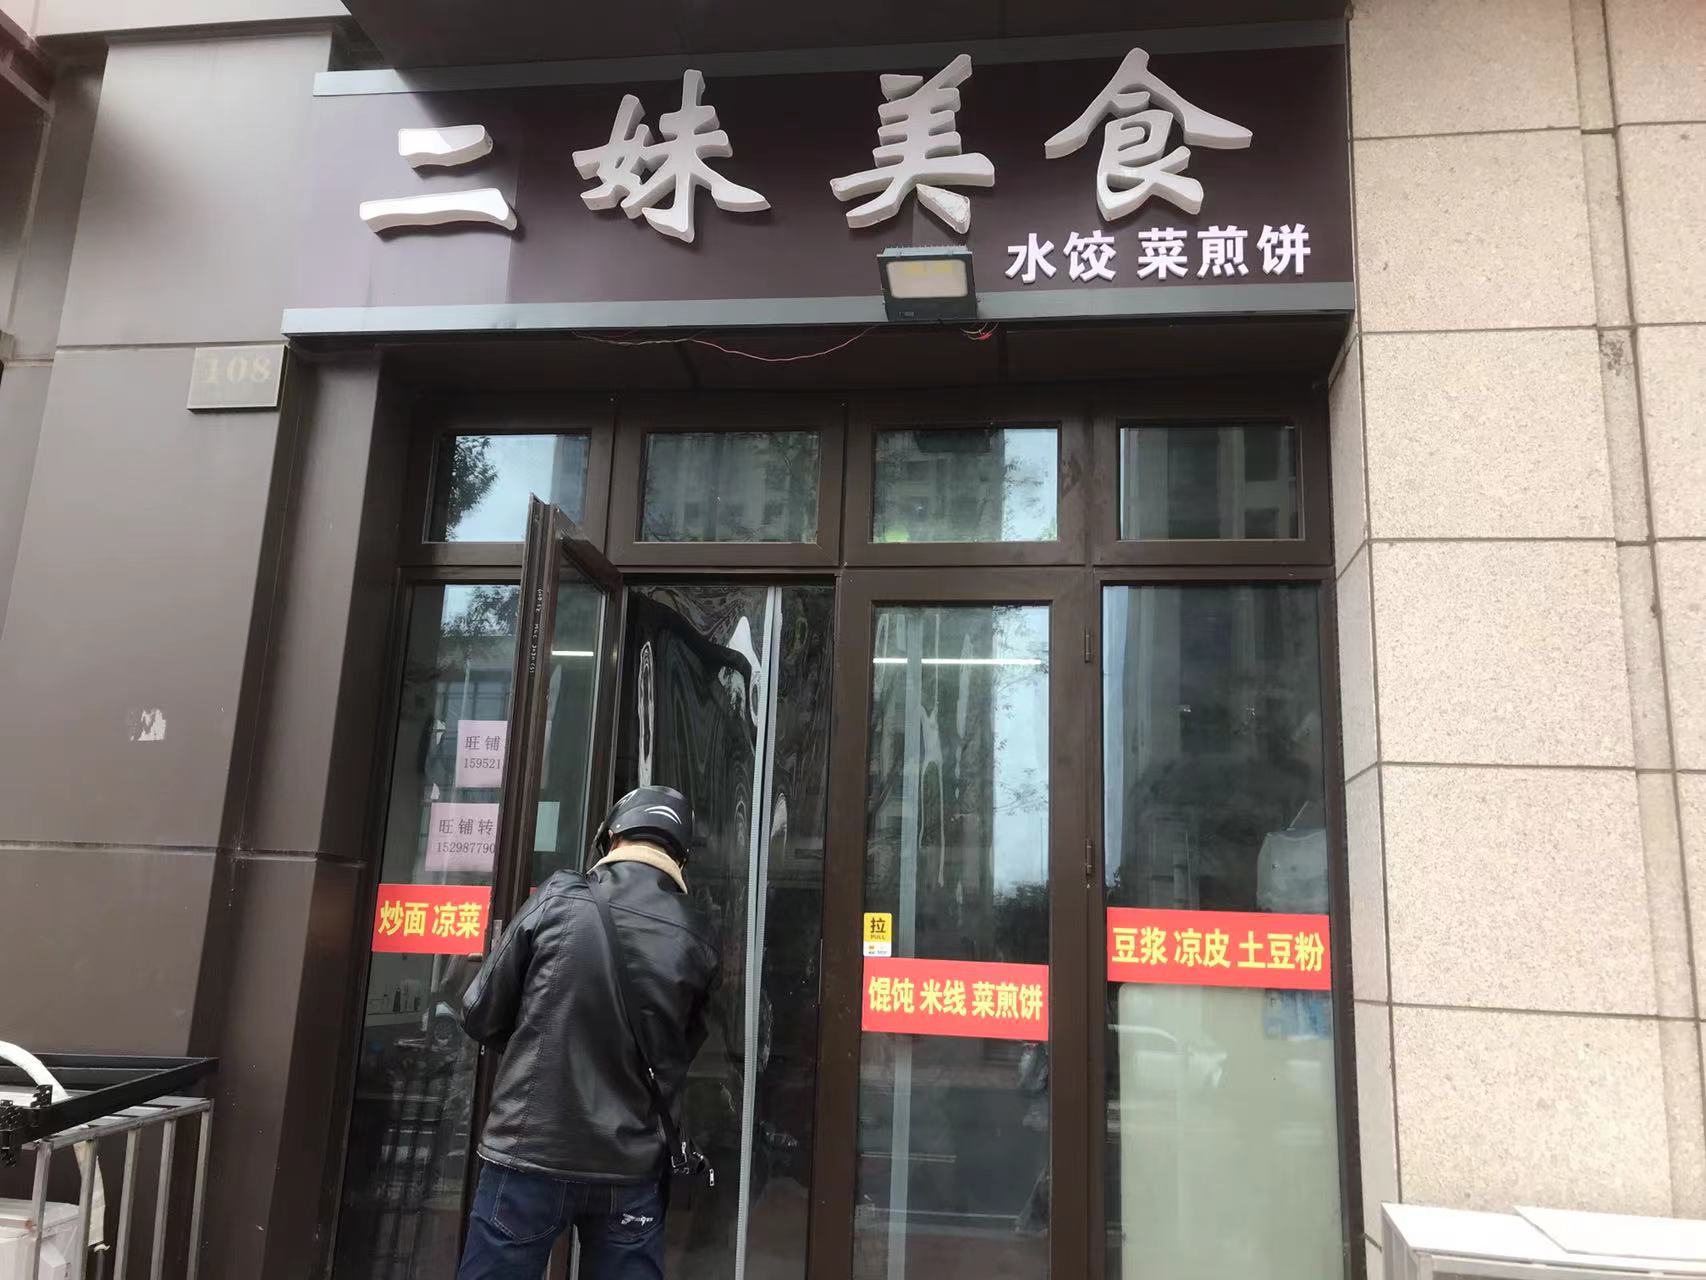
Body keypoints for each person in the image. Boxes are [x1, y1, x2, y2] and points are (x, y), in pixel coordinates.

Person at [456, 785, 721, 1280]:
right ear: (680, 857)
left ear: (611, 837)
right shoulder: (696, 934)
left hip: (528, 1153)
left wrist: (535, 1041)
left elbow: (480, 1014)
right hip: (630, 1168)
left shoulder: (559, 897)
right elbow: (681, 1052)